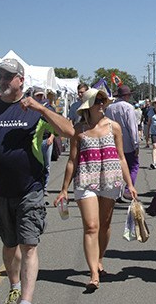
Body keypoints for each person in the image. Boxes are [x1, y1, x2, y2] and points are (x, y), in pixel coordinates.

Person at [0, 58, 74, 304]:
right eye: (0, 77)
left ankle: (25, 300)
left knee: (28, 245)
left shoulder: (35, 110)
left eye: (8, 76)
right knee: (9, 244)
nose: (3, 81)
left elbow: (69, 131)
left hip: (30, 190)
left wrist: (42, 109)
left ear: (21, 80)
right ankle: (14, 284)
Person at [54, 88, 137, 292]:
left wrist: (130, 184)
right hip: (85, 180)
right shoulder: (78, 130)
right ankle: (93, 274)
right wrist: (64, 188)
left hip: (110, 179)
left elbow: (121, 157)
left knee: (105, 224)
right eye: (97, 100)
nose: (101, 103)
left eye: (103, 100)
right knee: (91, 226)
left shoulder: (114, 127)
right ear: (88, 106)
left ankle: (99, 259)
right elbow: (72, 160)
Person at [105, 85, 139, 200]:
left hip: (113, 142)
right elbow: (132, 127)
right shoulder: (128, 107)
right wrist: (136, 144)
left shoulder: (109, 108)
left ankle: (117, 192)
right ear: (126, 96)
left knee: (117, 168)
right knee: (133, 166)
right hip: (127, 142)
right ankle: (127, 189)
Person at [33, 87, 55, 196]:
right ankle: (37, 186)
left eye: (41, 95)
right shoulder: (31, 109)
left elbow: (54, 124)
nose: (39, 97)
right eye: (37, 95)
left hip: (47, 139)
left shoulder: (49, 108)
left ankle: (44, 187)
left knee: (46, 165)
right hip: (36, 141)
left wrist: (51, 137)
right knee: (36, 164)